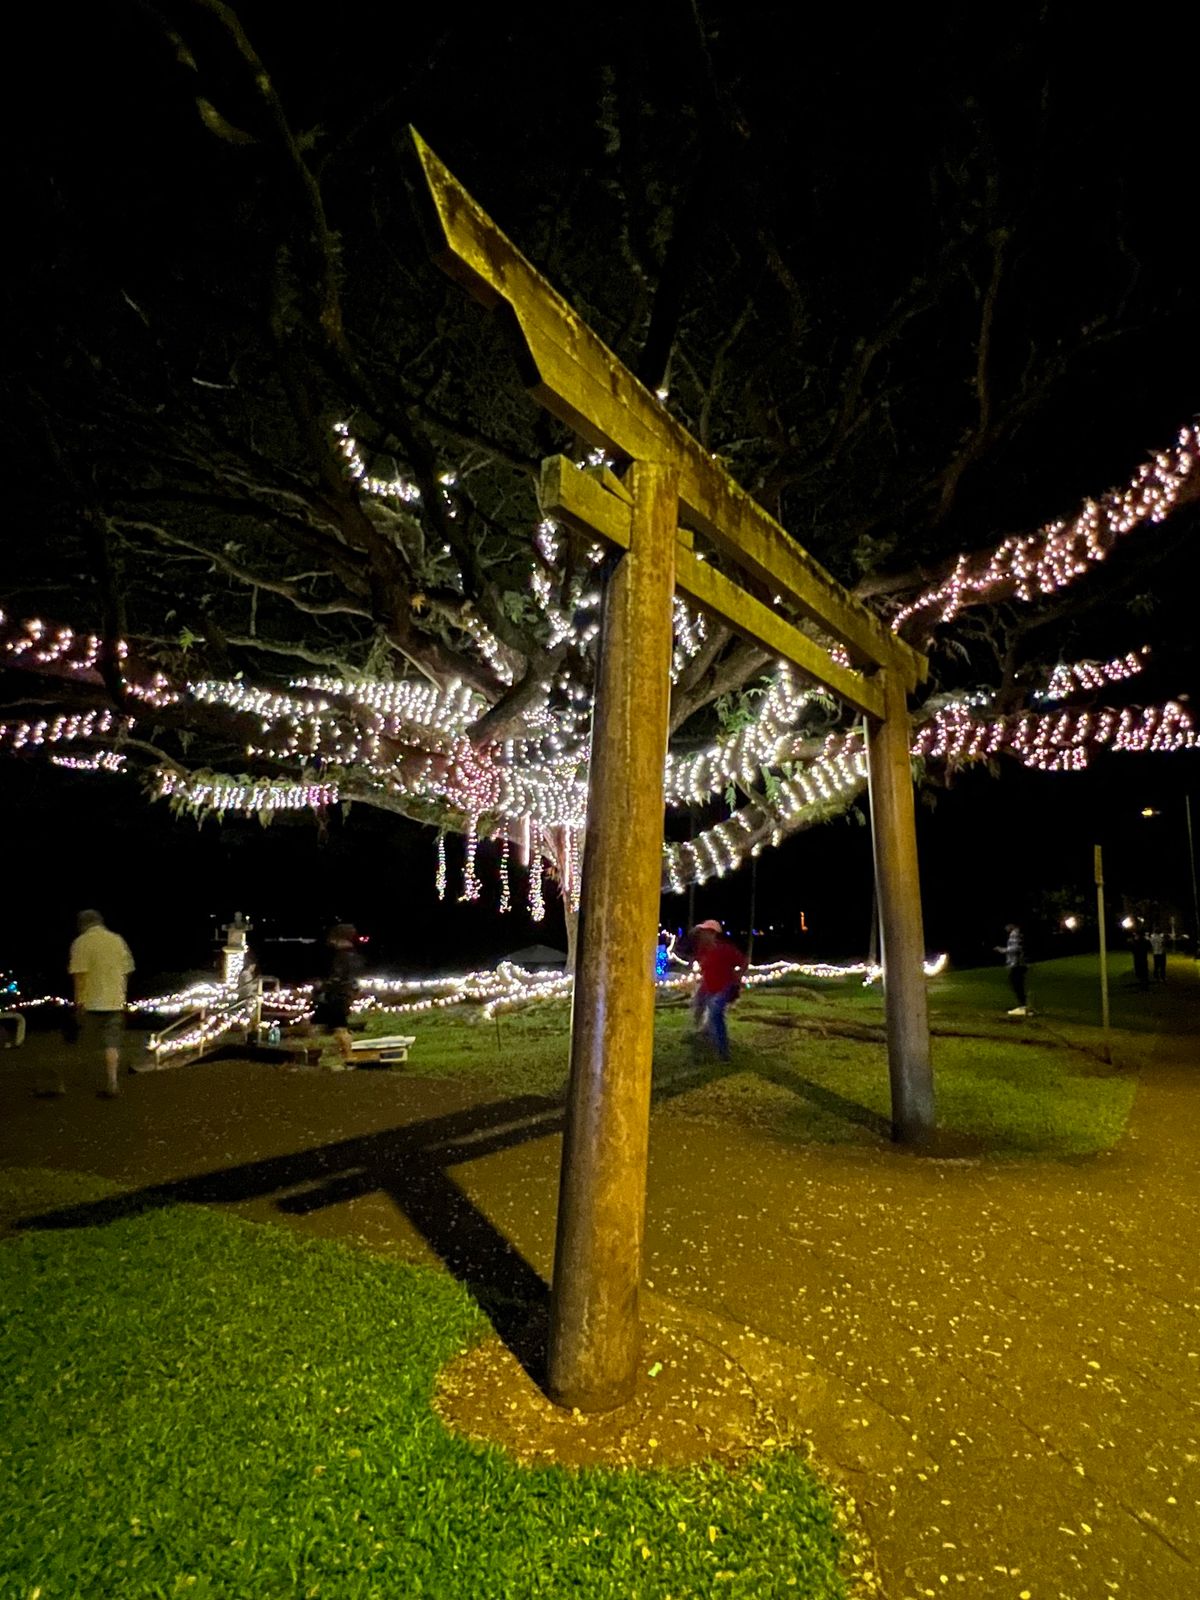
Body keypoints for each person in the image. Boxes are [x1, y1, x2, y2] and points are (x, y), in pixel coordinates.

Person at [68, 909, 135, 1098]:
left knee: (90, 1042)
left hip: (91, 1001)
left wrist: (78, 1002)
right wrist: (121, 992)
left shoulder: (81, 943)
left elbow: (79, 975)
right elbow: (127, 969)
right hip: (114, 1000)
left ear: (82, 924)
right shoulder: (117, 940)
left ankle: (92, 1079)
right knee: (111, 1043)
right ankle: (112, 1081)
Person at [689, 919, 746, 1061]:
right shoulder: (702, 950)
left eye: (704, 932)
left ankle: (723, 1052)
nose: (701, 935)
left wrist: (738, 976)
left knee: (715, 1014)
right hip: (708, 986)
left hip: (724, 987)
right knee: (698, 1003)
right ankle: (704, 1032)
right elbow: (704, 967)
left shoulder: (725, 949)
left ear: (712, 933)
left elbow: (743, 961)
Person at [315, 923, 363, 1060]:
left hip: (338, 995)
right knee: (338, 1029)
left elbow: (338, 977)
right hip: (345, 994)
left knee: (340, 1029)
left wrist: (324, 986)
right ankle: (345, 1055)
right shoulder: (353, 956)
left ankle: (349, 1057)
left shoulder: (342, 957)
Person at [996, 923, 1028, 1016]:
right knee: (1018, 984)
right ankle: (1024, 1006)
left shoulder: (1015, 933)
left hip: (1017, 964)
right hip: (1019, 963)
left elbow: (1016, 948)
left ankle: (1022, 1007)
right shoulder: (1019, 933)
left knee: (1016, 984)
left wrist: (1002, 950)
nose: (1005, 928)